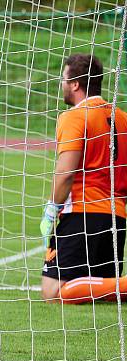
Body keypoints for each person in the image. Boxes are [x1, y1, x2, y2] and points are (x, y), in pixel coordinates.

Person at [41, 54, 127, 303]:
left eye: (64, 79)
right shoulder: (121, 118)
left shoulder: (74, 117)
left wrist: (51, 209)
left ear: (75, 84)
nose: (61, 84)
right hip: (116, 219)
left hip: (82, 215)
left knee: (52, 291)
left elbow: (66, 173)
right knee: (100, 293)